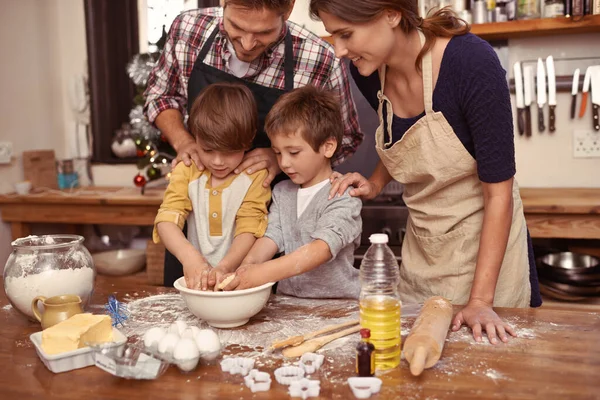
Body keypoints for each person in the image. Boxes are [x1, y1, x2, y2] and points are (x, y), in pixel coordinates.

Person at [309, 0, 542, 344]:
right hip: (426, 249)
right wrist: (375, 183)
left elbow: (498, 193)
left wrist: (480, 301)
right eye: (333, 36)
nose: (340, 51)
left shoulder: (470, 62)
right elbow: (402, 138)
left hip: (487, 252)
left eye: (346, 34)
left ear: (391, 14)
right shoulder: (369, 72)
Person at [144, 0, 363, 286]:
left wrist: (279, 157)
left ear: (287, 10)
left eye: (263, 32)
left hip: (265, 234)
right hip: (192, 239)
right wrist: (184, 141)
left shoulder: (318, 58)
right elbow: (160, 97)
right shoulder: (189, 30)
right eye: (236, 26)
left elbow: (345, 137)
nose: (247, 43)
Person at [219, 86, 362, 299]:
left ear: (328, 147)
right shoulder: (282, 191)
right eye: (277, 152)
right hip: (288, 304)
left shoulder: (342, 195)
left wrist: (263, 273)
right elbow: (272, 236)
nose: (284, 163)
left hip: (337, 308)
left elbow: (321, 249)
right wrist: (248, 266)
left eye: (293, 152)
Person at [153, 82, 271, 291]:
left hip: (240, 283)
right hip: (194, 283)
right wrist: (190, 259)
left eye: (228, 152)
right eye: (207, 150)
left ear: (249, 140)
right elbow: (166, 220)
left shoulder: (255, 175)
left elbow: (250, 228)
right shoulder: (188, 169)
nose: (217, 161)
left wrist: (225, 267)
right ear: (194, 136)